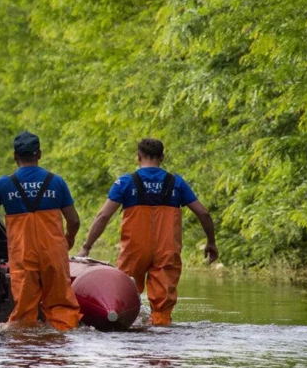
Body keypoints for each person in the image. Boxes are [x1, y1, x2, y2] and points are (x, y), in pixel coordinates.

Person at [76, 138, 218, 326]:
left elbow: (103, 216)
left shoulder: (126, 182)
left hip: (133, 252)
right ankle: (160, 335)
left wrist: (87, 246)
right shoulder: (176, 183)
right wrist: (211, 242)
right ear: (162, 157)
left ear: (138, 156)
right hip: (167, 251)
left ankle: (123, 330)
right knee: (162, 309)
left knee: (122, 298)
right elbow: (204, 213)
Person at [0, 131, 82, 331]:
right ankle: (61, 345)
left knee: (24, 315)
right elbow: (74, 220)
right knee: (61, 307)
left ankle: (25, 351)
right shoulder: (57, 181)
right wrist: (68, 239)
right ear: (40, 154)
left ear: (14, 156)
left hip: (23, 254)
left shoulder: (4, 184)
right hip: (53, 252)